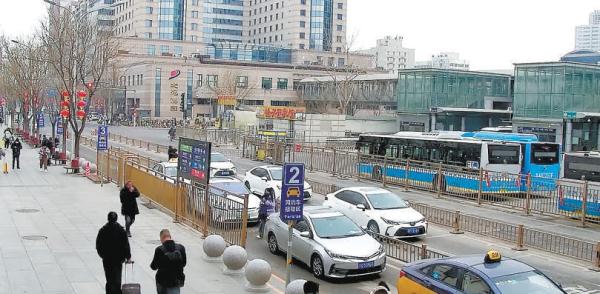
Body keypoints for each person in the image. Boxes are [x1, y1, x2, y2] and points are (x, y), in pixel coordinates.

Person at [96, 211, 131, 294]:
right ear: (116, 219)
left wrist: (103, 255)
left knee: (109, 278)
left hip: (107, 259)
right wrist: (128, 256)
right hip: (118, 259)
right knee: (117, 278)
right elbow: (125, 245)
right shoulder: (121, 231)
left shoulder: (103, 230)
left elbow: (98, 245)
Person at [150, 229, 186, 294]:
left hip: (162, 281)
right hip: (176, 280)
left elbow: (153, 267)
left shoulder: (159, 250)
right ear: (170, 236)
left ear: (161, 238)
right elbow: (184, 263)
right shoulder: (181, 248)